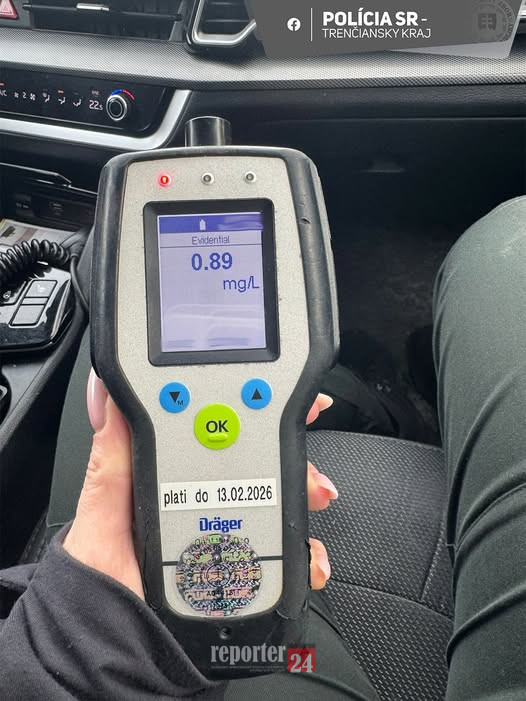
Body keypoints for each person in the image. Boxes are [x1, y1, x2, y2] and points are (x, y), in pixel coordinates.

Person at [1, 195, 526, 699]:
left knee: (107, 259)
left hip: (76, 639)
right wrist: (100, 653)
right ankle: (382, 396)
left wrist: (92, 636)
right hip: (255, 650)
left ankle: (372, 390)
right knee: (512, 243)